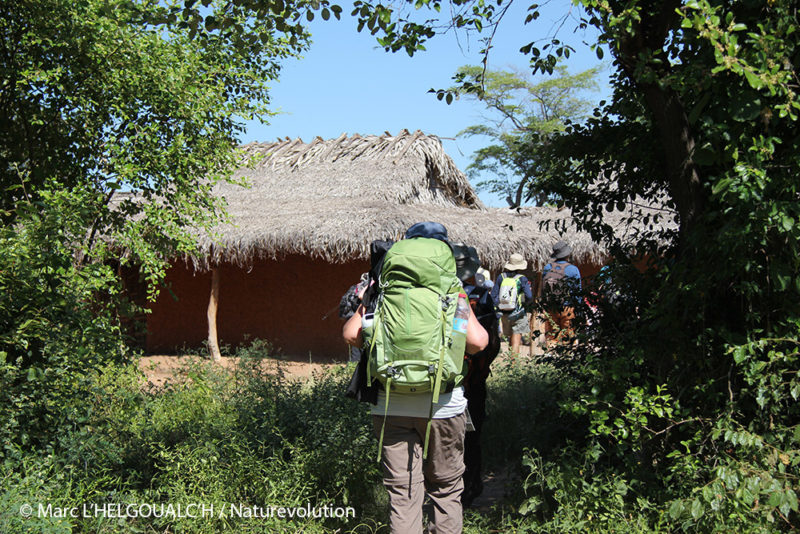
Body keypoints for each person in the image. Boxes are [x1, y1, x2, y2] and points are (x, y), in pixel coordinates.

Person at [343, 222, 488, 534]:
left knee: (404, 494)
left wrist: (375, 317)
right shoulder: (452, 291)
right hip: (444, 407)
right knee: (446, 490)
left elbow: (351, 334)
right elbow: (478, 342)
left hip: (390, 404)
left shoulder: (380, 288)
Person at [452, 245, 500, 507]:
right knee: (472, 435)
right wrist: (480, 368)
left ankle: (450, 489)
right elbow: (492, 342)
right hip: (473, 381)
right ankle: (470, 486)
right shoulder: (481, 296)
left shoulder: (435, 295)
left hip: (443, 382)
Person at [491, 253, 533, 358]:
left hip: (504, 312)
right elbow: (529, 295)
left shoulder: (501, 277)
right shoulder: (522, 279)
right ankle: (514, 363)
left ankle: (510, 360)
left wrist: (499, 307)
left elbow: (493, 296)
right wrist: (525, 305)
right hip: (517, 312)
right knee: (516, 339)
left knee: (510, 337)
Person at [540, 240, 581, 348]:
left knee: (552, 336)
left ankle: (550, 360)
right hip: (568, 308)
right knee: (568, 335)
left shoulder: (547, 268)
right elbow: (577, 291)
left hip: (551, 307)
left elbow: (543, 289)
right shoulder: (573, 269)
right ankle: (568, 360)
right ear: (567, 254)